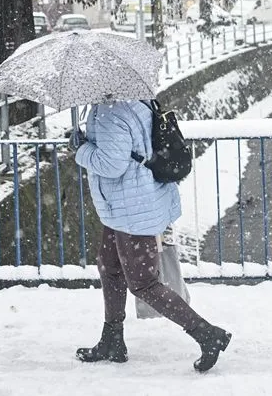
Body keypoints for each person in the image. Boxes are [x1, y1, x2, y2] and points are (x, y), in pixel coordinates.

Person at [70, 97, 231, 372]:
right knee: (109, 266)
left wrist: (80, 149)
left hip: (132, 207)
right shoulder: (133, 101)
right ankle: (113, 339)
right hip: (130, 202)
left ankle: (207, 334)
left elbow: (112, 165)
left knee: (143, 283)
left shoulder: (110, 112)